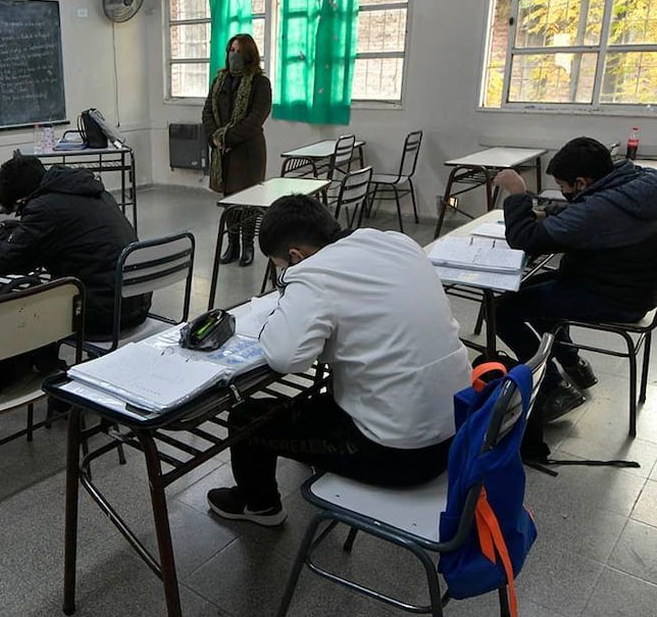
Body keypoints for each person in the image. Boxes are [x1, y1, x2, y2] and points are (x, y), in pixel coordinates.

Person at [206, 195, 470, 525]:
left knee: (246, 419)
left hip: (401, 454)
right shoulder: (397, 242)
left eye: (280, 265)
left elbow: (285, 358)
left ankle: (259, 506)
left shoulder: (313, 273)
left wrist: (287, 292)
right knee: (322, 398)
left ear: (295, 255)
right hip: (458, 432)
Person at [493, 136, 657, 422]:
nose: (563, 192)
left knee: (503, 311)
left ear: (581, 182)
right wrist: (548, 212)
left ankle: (553, 388)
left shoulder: (600, 211)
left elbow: (526, 239)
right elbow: (590, 207)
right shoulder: (640, 181)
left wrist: (517, 192)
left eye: (562, 187)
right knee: (526, 292)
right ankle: (574, 363)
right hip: (631, 283)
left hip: (614, 296)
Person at [0, 152, 151, 338]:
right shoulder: (91, 190)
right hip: (135, 304)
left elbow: (4, 261)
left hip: (102, 316)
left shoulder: (44, 208)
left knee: (11, 313)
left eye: (19, 210)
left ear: (21, 199)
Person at [202, 33, 272, 268]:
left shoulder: (260, 83)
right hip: (223, 152)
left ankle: (247, 246)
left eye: (239, 51)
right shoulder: (219, 80)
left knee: (248, 202)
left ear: (249, 55)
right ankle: (231, 245)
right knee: (230, 202)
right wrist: (216, 138)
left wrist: (227, 137)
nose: (234, 55)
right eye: (231, 50)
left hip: (248, 151)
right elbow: (207, 112)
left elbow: (256, 119)